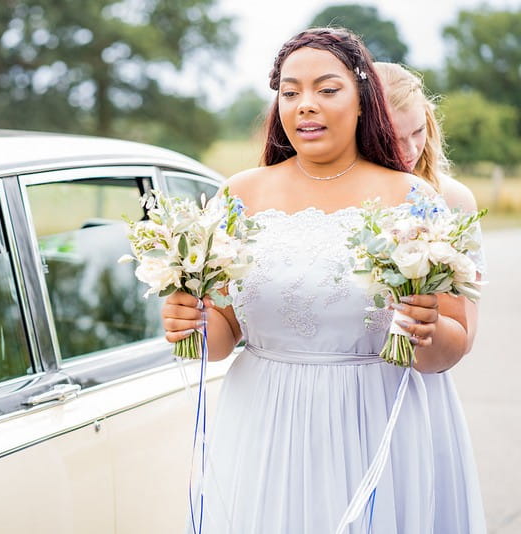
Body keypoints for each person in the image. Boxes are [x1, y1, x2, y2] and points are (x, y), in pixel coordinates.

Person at [161, 28, 486, 533]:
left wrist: (426, 331)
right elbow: (222, 339)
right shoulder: (237, 195)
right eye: (290, 93)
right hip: (263, 424)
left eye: (327, 90)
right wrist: (191, 324)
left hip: (375, 419)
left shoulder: (413, 198)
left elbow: (450, 346)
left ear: (362, 103)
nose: (305, 105)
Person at [374, 60, 486, 534]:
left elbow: (465, 328)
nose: (409, 149)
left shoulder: (451, 199)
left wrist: (428, 323)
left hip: (418, 394)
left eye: (417, 131)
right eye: (393, 137)